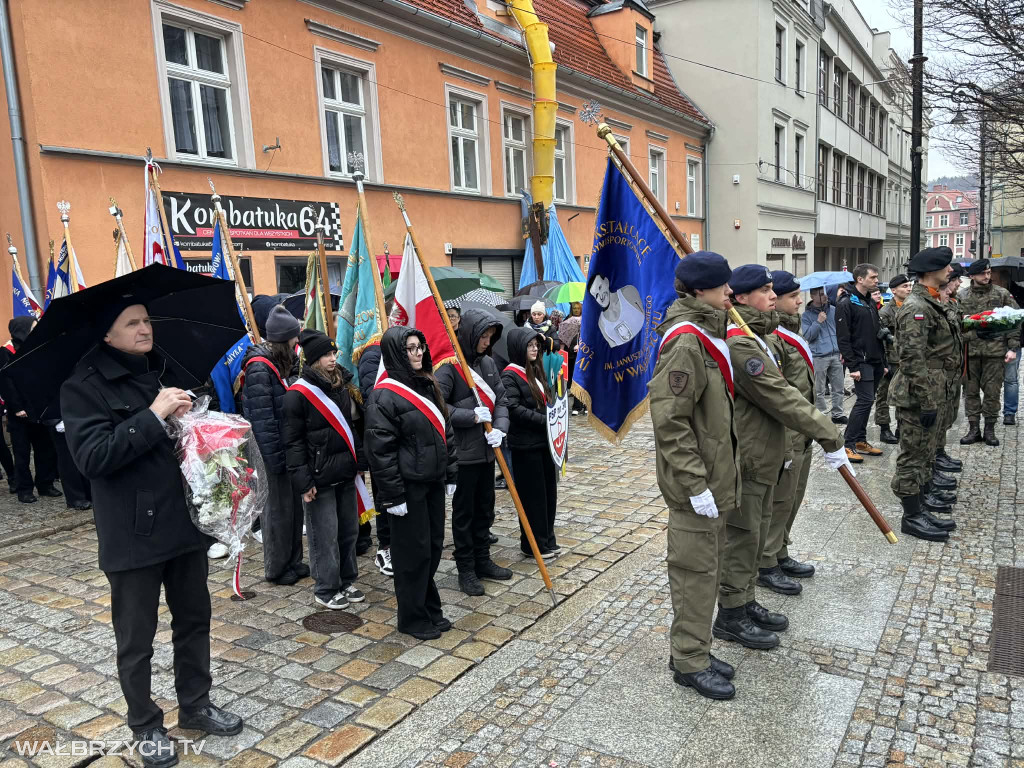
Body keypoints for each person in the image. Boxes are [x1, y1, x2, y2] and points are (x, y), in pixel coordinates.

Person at [61, 302, 242, 767]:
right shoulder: (82, 387)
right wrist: (154, 414)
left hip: (183, 524)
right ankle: (144, 724)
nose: (145, 329)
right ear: (108, 335)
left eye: (146, 320)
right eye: (132, 323)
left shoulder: (163, 371)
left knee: (194, 621)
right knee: (136, 639)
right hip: (132, 534)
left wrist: (193, 423)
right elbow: (93, 459)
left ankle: (196, 705)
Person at [715, 264, 849, 652]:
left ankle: (745, 601)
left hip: (766, 453)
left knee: (756, 534)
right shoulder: (741, 344)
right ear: (740, 298)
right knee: (742, 538)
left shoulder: (760, 337)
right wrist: (827, 432)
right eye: (765, 291)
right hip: (750, 457)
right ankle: (730, 615)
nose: (773, 296)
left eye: (774, 289)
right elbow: (779, 395)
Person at [650, 251, 740, 700]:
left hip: (713, 477)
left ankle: (695, 646)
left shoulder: (707, 332)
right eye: (723, 285)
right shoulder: (686, 342)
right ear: (701, 290)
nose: (730, 292)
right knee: (694, 572)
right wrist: (694, 483)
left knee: (708, 569)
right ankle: (688, 661)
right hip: (695, 485)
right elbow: (670, 421)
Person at [365, 327, 458, 640]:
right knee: (412, 555)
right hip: (406, 488)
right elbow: (380, 451)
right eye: (410, 348)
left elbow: (445, 430)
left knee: (432, 548)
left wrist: (451, 472)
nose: (418, 353)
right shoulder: (383, 396)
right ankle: (412, 617)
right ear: (397, 353)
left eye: (420, 347)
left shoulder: (428, 384)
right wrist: (393, 496)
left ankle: (429, 608)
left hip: (432, 482)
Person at [283, 330, 366, 610]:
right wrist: (303, 481)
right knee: (325, 534)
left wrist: (359, 461)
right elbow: (293, 442)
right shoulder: (298, 395)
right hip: (319, 476)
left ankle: (346, 579)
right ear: (313, 359)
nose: (332, 359)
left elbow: (350, 429)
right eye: (326, 355)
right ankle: (326, 587)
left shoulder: (340, 384)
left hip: (345, 471)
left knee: (348, 531)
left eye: (333, 353)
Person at [437, 309, 512, 596]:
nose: (486, 342)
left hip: (487, 452)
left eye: (490, 337)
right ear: (470, 334)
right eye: (483, 336)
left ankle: (483, 560)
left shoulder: (489, 363)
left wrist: (500, 428)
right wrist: (471, 416)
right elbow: (439, 405)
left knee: (485, 509)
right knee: (465, 514)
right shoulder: (449, 367)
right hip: (463, 455)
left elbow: (501, 399)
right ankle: (466, 568)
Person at [888, 247, 959, 541]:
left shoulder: (929, 300)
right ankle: (911, 516)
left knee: (926, 452)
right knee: (912, 456)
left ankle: (921, 504)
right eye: (946, 266)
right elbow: (911, 359)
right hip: (918, 393)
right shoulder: (916, 307)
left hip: (933, 387)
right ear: (931, 271)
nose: (951, 271)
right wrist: (927, 400)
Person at [241, 305, 308, 583]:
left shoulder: (284, 362)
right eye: (294, 337)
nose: (297, 342)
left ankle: (294, 560)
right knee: (277, 512)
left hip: (287, 447)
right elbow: (263, 421)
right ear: (283, 339)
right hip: (272, 452)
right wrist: (275, 459)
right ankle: (277, 568)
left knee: (293, 509)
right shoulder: (259, 367)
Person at [760, 271, 817, 589]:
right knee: (779, 500)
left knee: (794, 496)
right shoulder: (771, 338)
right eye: (793, 296)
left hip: (801, 430)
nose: (800, 301)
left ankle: (780, 551)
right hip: (785, 431)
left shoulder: (792, 330)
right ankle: (766, 562)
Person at [501, 328, 559, 559]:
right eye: (530, 346)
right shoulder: (510, 376)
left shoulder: (536, 370)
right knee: (533, 498)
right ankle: (534, 544)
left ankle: (548, 538)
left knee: (548, 494)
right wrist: (544, 421)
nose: (535, 349)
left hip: (544, 443)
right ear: (519, 348)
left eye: (536, 345)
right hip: (525, 445)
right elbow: (513, 409)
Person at [958, 259, 1019, 446]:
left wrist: (1013, 348)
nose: (987, 276)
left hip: (995, 351)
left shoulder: (1001, 294)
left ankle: (990, 429)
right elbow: (955, 323)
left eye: (988, 272)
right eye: (982, 273)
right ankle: (974, 428)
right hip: (970, 351)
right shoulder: (962, 296)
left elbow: (1015, 321)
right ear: (972, 276)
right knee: (970, 392)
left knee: (992, 392)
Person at [0, 317, 61, 504]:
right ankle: (24, 489)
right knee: (22, 453)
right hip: (20, 413)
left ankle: (45, 484)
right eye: (33, 327)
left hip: (39, 408)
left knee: (45, 449)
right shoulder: (6, 351)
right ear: (22, 330)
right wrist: (17, 407)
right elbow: (6, 382)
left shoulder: (35, 347)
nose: (36, 330)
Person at [835, 264, 887, 461]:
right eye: (873, 277)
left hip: (875, 360)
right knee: (864, 401)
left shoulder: (869, 301)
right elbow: (843, 338)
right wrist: (853, 366)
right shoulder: (846, 303)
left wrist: (883, 362)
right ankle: (847, 444)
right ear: (860, 279)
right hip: (861, 361)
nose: (876, 280)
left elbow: (876, 333)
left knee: (868, 401)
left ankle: (860, 440)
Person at [358, 341, 393, 577]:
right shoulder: (372, 354)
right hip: (380, 437)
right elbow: (373, 398)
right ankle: (386, 546)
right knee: (384, 495)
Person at [875, 274, 913, 444]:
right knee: (883, 395)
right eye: (905, 286)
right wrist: (884, 363)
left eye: (909, 286)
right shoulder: (885, 312)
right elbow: (880, 340)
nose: (909, 289)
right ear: (894, 290)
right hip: (891, 360)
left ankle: (901, 426)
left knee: (904, 396)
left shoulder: (912, 308)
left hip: (907, 359)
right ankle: (884, 428)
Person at [801, 287, 846, 426]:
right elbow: (808, 336)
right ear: (812, 296)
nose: (825, 297)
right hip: (819, 356)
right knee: (818, 389)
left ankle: (838, 414)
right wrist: (818, 321)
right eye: (821, 295)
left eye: (825, 294)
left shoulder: (833, 310)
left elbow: (841, 331)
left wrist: (843, 349)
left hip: (836, 354)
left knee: (838, 387)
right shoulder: (806, 315)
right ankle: (821, 414)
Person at [587, 273, 644, 348]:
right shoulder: (602, 323)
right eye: (596, 295)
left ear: (606, 282)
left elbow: (649, 314)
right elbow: (615, 351)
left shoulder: (628, 292)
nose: (601, 296)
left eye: (600, 287)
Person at [559, 303, 585, 415]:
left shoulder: (586, 320)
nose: (576, 310)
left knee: (584, 380)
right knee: (574, 379)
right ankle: (577, 405)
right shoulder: (567, 322)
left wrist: (582, 345)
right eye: (574, 308)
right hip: (571, 356)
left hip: (584, 355)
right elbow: (563, 339)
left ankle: (584, 404)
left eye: (578, 308)